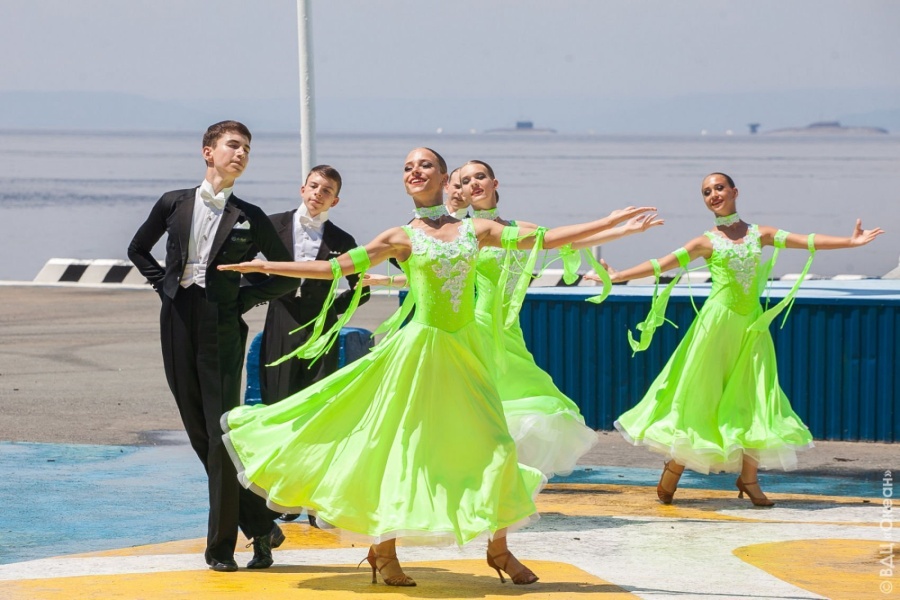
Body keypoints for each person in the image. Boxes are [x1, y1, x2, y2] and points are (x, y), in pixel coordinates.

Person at [217, 147, 653, 587]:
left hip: (466, 352)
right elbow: (335, 269)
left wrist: (609, 223)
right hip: (418, 354)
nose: (415, 171)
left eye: (424, 164)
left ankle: (498, 548)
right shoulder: (400, 237)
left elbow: (548, 239)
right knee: (398, 450)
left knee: (497, 446)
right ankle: (384, 552)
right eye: (408, 167)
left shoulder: (476, 230)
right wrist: (267, 266)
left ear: (446, 180)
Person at [587, 172, 884, 506]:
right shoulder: (705, 242)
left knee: (754, 397)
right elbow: (661, 265)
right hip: (715, 328)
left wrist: (851, 242)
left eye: (719, 187)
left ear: (734, 191)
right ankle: (675, 465)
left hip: (751, 328)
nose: (713, 194)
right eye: (706, 191)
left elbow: (807, 241)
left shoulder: (761, 234)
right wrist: (618, 276)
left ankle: (749, 478)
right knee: (700, 396)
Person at [369, 159, 662, 477]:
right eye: (465, 181)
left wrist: (621, 229)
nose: (473, 184)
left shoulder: (517, 229)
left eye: (480, 177)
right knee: (475, 402)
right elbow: (434, 277)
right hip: (475, 326)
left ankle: (500, 472)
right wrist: (387, 280)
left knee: (529, 397)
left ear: (495, 183)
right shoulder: (463, 233)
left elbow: (565, 241)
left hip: (509, 330)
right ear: (460, 192)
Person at [127, 120, 295, 572]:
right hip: (176, 319)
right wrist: (164, 286)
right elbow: (137, 248)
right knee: (198, 431)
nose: (241, 154)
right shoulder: (174, 202)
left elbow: (285, 273)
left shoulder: (249, 215)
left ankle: (221, 548)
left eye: (247, 149)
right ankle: (260, 523)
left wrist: (243, 298)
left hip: (222, 324)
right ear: (208, 152)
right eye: (233, 145)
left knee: (221, 434)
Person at [256, 165, 369, 406]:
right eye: (314, 186)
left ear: (334, 201)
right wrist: (260, 293)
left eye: (327, 190)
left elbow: (362, 288)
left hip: (322, 327)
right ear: (303, 189)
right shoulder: (272, 225)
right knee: (276, 394)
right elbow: (242, 260)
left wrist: (330, 310)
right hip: (280, 319)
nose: (318, 193)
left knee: (317, 396)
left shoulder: (342, 240)